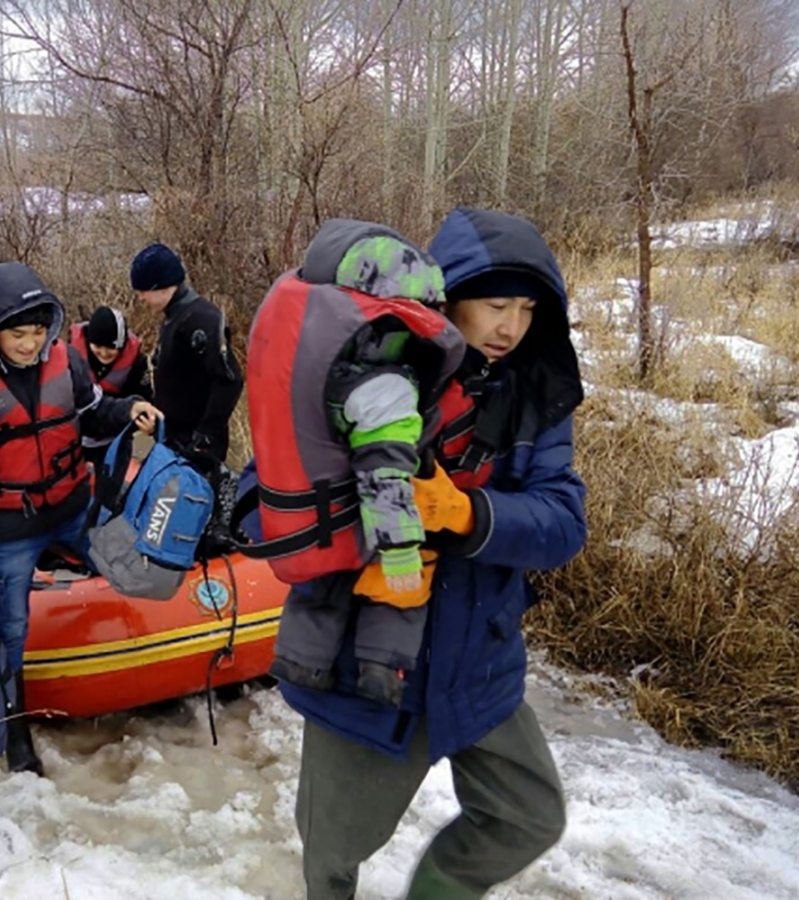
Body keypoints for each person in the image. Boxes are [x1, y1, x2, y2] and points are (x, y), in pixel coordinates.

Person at [281, 207, 586, 900]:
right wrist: (366, 522)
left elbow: (564, 520)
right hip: (365, 666)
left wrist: (466, 512)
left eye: (527, 308)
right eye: (494, 304)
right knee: (331, 858)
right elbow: (265, 493)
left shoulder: (535, 396)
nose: (511, 326)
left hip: (478, 657)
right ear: (449, 295)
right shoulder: (367, 360)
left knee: (527, 815)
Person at [0, 262, 161, 777]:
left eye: (38, 331)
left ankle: (148, 663)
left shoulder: (64, 361)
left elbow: (93, 412)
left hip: (72, 504)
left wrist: (131, 406)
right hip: (8, 528)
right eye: (17, 334)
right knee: (10, 629)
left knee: (137, 568)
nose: (30, 345)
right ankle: (15, 731)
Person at [243, 220, 469, 710]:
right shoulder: (384, 390)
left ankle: (302, 659)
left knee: (320, 591)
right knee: (404, 587)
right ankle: (382, 668)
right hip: (356, 524)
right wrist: (401, 546)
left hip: (305, 518)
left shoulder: (313, 359)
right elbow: (385, 472)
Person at [130, 243, 243, 476]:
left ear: (162, 285)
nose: (140, 298)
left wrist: (205, 438)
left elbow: (229, 380)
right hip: (174, 442)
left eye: (142, 290)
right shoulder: (174, 317)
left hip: (196, 450)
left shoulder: (201, 318)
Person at [68, 305, 153, 464]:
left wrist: (146, 424)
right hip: (75, 440)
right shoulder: (71, 357)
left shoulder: (136, 363)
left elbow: (144, 400)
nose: (104, 353)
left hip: (115, 440)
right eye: (97, 346)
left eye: (111, 348)